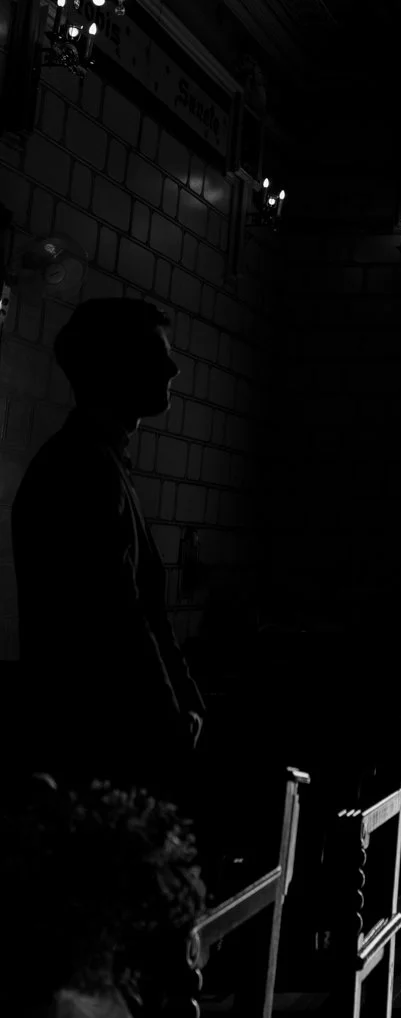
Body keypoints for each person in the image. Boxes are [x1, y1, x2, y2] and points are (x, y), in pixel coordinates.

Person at [11, 297, 206, 793]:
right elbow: (123, 618)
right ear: (119, 366)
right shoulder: (85, 470)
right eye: (159, 354)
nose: (174, 368)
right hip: (99, 749)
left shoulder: (96, 461)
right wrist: (171, 720)